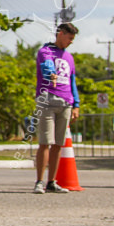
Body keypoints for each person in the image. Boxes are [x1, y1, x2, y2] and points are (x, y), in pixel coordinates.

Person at [32, 22, 79, 194]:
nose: (71, 42)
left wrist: (76, 104)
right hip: (48, 100)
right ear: (60, 34)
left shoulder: (69, 57)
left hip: (66, 102)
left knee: (58, 144)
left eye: (73, 39)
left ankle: (51, 181)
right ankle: (39, 181)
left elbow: (73, 81)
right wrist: (51, 74)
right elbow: (47, 65)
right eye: (69, 38)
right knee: (45, 142)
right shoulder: (45, 51)